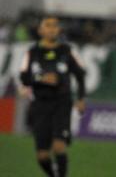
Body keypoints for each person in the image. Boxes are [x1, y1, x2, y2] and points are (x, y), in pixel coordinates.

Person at [19, 16, 86, 177]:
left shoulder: (67, 50)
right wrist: (41, 78)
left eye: (55, 26)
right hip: (40, 105)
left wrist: (81, 98)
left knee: (58, 146)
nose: (52, 29)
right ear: (40, 30)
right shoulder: (32, 52)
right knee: (42, 156)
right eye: (48, 26)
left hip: (61, 103)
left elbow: (80, 74)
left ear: (59, 30)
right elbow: (24, 78)